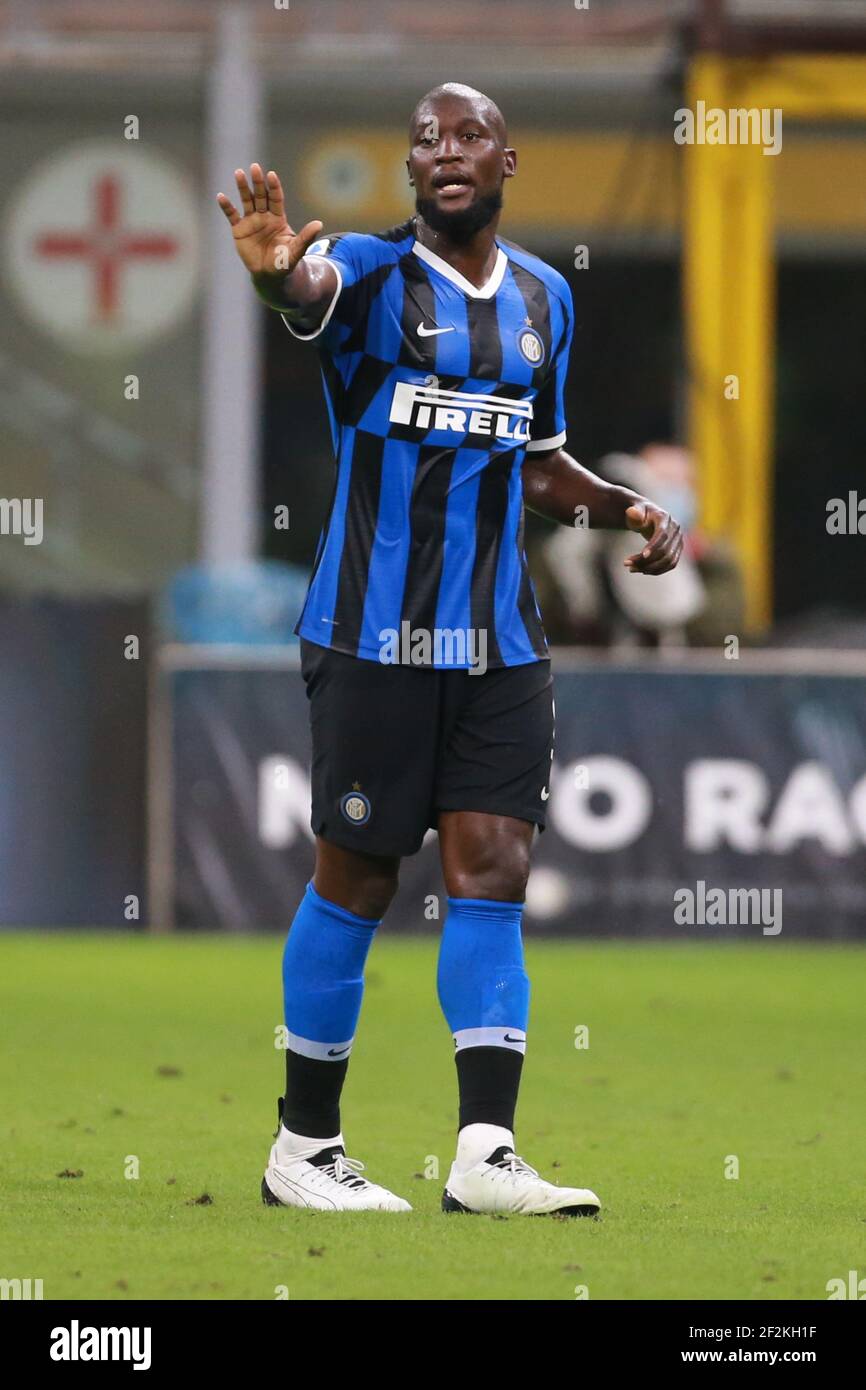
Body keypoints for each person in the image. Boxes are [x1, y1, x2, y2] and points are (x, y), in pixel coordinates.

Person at [217, 83, 683, 1216]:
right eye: (424, 140)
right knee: (359, 876)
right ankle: (303, 1148)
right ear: (411, 171)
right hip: (371, 634)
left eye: (467, 135)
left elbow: (533, 459)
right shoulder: (371, 276)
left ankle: (484, 1153)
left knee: (494, 871)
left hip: (498, 642)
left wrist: (620, 506)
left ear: (507, 160)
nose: (444, 152)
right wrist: (276, 270)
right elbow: (305, 291)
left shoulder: (544, 300)